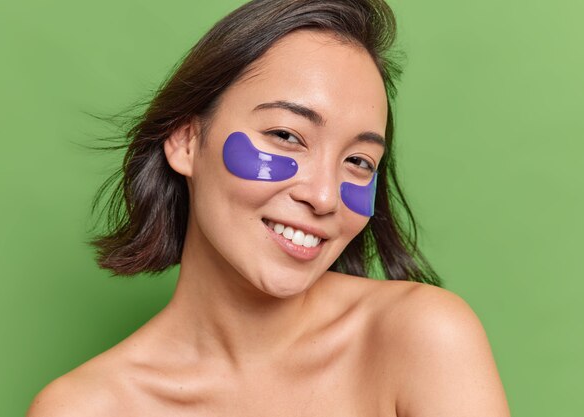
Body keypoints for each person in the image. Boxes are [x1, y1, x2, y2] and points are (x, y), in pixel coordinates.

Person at [28, 0, 511, 415]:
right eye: (285, 136)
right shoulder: (84, 408)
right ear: (187, 139)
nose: (322, 196)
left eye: (359, 161)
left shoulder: (421, 339)